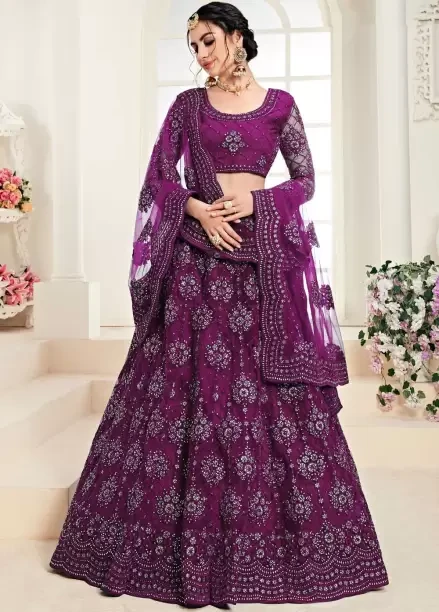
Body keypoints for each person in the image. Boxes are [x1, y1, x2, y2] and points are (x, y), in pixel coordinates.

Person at [50, 2, 389, 606]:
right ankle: (155, 549)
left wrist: (258, 203)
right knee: (183, 391)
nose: (200, 54)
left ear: (235, 38)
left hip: (260, 265)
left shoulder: (280, 105)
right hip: (195, 267)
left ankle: (262, 552)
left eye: (208, 40)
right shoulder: (187, 107)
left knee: (261, 395)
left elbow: (304, 181)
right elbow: (160, 178)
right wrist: (198, 210)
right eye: (193, 45)